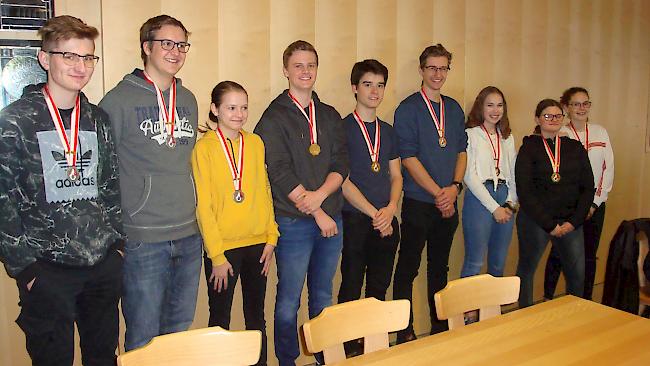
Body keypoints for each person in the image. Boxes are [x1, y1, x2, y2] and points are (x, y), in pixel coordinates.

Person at [0, 15, 123, 365]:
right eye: (69, 55)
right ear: (44, 59)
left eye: (87, 57)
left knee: (103, 358)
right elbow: (3, 201)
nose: (80, 66)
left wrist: (118, 247)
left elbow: (110, 185)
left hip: (101, 265)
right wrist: (25, 268)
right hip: (47, 270)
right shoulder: (15, 121)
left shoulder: (97, 118)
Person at [99, 15, 201, 351]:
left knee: (178, 334)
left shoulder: (187, 99)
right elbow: (102, 174)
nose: (175, 51)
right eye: (166, 43)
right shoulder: (118, 101)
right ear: (147, 47)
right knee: (143, 339)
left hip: (188, 235)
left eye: (181, 44)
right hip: (143, 240)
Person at [254, 40, 348, 366]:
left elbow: (341, 164)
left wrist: (322, 199)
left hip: (331, 218)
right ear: (286, 71)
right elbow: (277, 171)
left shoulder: (330, 115)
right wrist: (317, 211)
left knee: (323, 295)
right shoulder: (273, 117)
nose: (305, 71)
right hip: (293, 222)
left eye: (311, 65)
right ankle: (287, 361)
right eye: (298, 65)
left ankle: (324, 357)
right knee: (289, 300)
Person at [192, 81, 278, 365]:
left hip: (258, 246)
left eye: (243, 107)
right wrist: (216, 255)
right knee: (220, 320)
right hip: (223, 252)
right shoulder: (204, 149)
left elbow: (264, 191)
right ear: (215, 109)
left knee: (256, 317)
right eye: (231, 107)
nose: (239, 114)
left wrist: (271, 237)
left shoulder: (254, 143)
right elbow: (203, 205)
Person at [392, 44, 467, 342]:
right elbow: (408, 158)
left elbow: (462, 150)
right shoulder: (408, 108)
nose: (438, 74)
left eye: (443, 68)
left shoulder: (454, 107)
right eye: (432, 68)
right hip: (419, 203)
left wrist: (455, 188)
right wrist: (440, 194)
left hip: (449, 201)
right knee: (408, 267)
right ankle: (404, 331)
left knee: (440, 268)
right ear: (421, 70)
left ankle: (439, 327)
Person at [337, 59, 402, 355]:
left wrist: (390, 209)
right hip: (355, 219)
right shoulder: (342, 128)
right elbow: (343, 180)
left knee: (378, 287)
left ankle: (374, 347)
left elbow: (397, 175)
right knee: (351, 286)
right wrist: (374, 213)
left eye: (380, 85)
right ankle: (348, 349)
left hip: (386, 219)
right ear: (354, 88)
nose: (374, 91)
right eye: (367, 84)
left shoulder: (388, 131)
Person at [515, 99, 594, 308]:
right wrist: (549, 224)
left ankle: (575, 318)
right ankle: (523, 319)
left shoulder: (575, 148)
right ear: (537, 119)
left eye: (557, 116)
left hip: (570, 223)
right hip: (536, 222)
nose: (553, 120)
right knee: (526, 270)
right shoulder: (528, 148)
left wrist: (574, 222)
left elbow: (588, 188)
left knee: (577, 274)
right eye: (547, 116)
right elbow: (525, 191)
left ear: (563, 118)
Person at [543, 87, 614, 301]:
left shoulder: (601, 132)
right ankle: (547, 298)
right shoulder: (561, 133)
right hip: (567, 207)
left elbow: (607, 169)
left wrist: (594, 203)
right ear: (566, 107)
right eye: (576, 104)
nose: (581, 108)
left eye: (586, 103)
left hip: (594, 206)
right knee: (558, 254)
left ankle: (585, 300)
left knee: (589, 256)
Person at [461, 86, 517, 278]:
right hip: (480, 198)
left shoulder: (507, 136)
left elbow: (513, 173)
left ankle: (492, 309)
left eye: (499, 105)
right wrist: (494, 208)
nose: (495, 110)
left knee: (498, 263)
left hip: (505, 196)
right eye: (490, 105)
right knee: (474, 262)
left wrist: (510, 204)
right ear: (480, 108)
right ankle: (466, 309)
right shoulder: (471, 134)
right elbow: (469, 175)